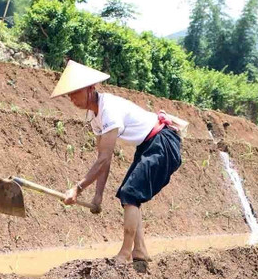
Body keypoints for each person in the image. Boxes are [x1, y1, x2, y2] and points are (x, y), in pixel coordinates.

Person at [51, 60, 183, 265]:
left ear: (90, 88)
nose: (72, 99)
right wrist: (98, 196)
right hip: (148, 144)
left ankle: (125, 253)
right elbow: (104, 158)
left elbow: (104, 159)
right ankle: (140, 250)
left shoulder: (109, 109)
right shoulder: (94, 117)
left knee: (130, 193)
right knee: (129, 195)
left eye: (75, 92)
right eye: (69, 95)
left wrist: (77, 189)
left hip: (162, 142)